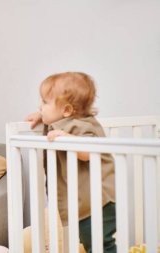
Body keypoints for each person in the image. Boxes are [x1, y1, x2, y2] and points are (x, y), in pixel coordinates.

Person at [25, 72, 116, 253]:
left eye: (44, 102)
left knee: (101, 246)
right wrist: (41, 116)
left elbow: (89, 152)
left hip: (99, 202)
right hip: (85, 204)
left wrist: (69, 140)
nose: (40, 106)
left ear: (66, 110)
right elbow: (55, 123)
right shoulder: (65, 122)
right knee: (91, 243)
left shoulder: (83, 127)